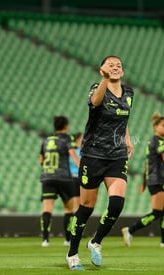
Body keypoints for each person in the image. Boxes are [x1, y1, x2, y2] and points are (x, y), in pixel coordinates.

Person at [65, 56, 134, 271]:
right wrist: (103, 79)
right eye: (110, 64)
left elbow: (122, 119)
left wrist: (128, 138)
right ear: (102, 69)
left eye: (118, 65)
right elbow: (95, 102)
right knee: (86, 207)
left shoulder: (129, 93)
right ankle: (72, 254)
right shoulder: (97, 88)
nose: (115, 67)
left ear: (122, 72)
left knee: (116, 204)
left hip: (117, 155)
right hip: (93, 155)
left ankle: (95, 242)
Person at [121, 112, 164, 248]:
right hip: (157, 179)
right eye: (163, 125)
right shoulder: (158, 141)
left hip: (155, 179)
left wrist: (144, 182)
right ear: (156, 127)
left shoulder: (152, 142)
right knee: (157, 211)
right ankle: (130, 230)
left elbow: (147, 163)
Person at [39, 116, 80, 247]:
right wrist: (83, 168)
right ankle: (67, 240)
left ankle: (45, 240)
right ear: (66, 126)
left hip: (47, 177)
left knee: (47, 208)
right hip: (64, 177)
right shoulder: (67, 139)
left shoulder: (46, 140)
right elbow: (73, 155)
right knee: (68, 209)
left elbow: (41, 160)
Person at [63, 132, 83, 246]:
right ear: (77, 141)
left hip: (70, 180)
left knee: (69, 209)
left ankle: (68, 237)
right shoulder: (76, 152)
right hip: (75, 180)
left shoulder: (70, 152)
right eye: (82, 139)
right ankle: (72, 236)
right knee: (76, 209)